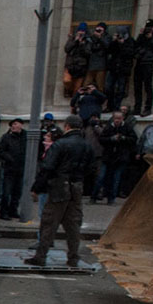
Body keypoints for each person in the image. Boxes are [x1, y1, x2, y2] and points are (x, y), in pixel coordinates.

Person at [25, 114, 94, 268]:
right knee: (73, 224)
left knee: (49, 222)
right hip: (76, 186)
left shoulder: (60, 144)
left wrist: (37, 188)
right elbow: (91, 168)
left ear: (67, 126)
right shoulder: (87, 145)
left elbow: (47, 168)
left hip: (59, 186)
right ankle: (73, 257)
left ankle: (41, 256)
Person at [93, 109, 136, 204]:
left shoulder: (127, 127)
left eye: (119, 118)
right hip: (108, 156)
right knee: (101, 177)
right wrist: (111, 139)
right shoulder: (108, 127)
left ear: (123, 118)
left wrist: (124, 138)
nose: (117, 120)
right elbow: (102, 139)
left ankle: (111, 198)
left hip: (121, 157)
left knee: (116, 179)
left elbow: (133, 139)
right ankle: (94, 196)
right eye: (116, 118)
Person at [0, 118, 26, 220]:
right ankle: (3, 212)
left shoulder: (25, 137)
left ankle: (13, 211)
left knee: (17, 193)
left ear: (21, 125)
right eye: (12, 125)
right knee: (6, 192)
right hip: (9, 169)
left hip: (21, 169)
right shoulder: (6, 138)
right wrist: (9, 158)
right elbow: (1, 151)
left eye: (15, 124)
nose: (13, 126)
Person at [133, 18, 153, 115]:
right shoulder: (142, 36)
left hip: (148, 63)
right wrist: (141, 36)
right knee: (137, 86)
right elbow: (136, 45)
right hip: (139, 62)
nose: (148, 29)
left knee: (148, 86)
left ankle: (148, 108)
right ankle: (137, 107)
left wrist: (150, 38)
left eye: (149, 28)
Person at [106, 26, 136, 112]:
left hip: (123, 69)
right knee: (108, 87)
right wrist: (114, 42)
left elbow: (130, 54)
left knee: (120, 89)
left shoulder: (130, 41)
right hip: (113, 68)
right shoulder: (115, 42)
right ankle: (109, 105)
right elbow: (109, 50)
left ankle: (116, 106)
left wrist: (122, 44)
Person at [64, 23, 91, 98]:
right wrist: (75, 41)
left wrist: (82, 44)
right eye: (80, 31)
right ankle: (68, 90)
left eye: (83, 31)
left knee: (77, 88)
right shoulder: (72, 39)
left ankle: (73, 104)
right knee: (67, 81)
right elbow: (67, 49)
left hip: (81, 67)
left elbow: (87, 53)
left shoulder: (87, 41)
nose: (81, 33)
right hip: (70, 65)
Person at [85, 22, 111, 92]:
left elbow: (107, 46)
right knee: (86, 84)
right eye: (97, 29)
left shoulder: (107, 37)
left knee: (100, 85)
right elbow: (89, 48)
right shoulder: (92, 37)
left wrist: (100, 37)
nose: (98, 30)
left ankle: (100, 100)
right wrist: (93, 37)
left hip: (101, 65)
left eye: (101, 29)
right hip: (92, 64)